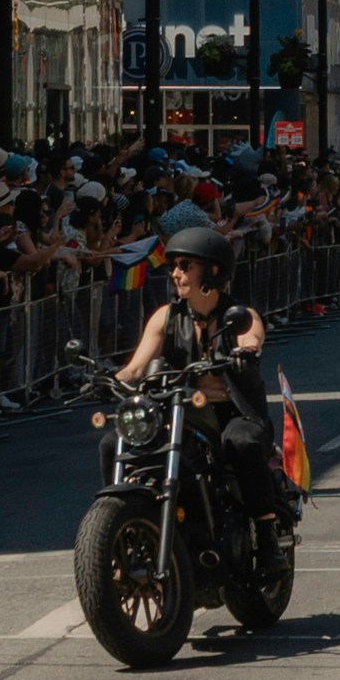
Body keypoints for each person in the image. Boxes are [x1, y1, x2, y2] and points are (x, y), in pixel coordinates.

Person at [119, 219, 289, 521]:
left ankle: (266, 530)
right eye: (174, 266)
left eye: (185, 266)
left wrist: (245, 352)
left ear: (213, 270)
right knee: (115, 441)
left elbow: (251, 338)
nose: (175, 273)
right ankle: (123, 515)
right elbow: (135, 369)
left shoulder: (240, 315)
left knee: (242, 443)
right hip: (179, 413)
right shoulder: (165, 317)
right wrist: (105, 379)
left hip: (233, 414)